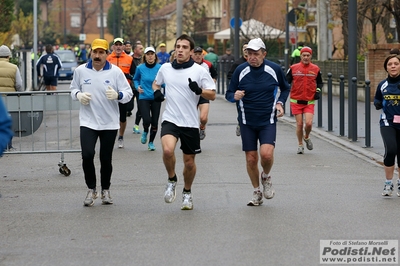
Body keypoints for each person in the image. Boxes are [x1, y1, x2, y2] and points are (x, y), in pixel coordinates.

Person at [152, 34, 216, 210]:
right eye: (178, 46)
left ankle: (187, 192)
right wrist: (157, 92)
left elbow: (213, 94)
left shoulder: (199, 70)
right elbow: (156, 84)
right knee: (167, 150)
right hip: (170, 118)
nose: (180, 50)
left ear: (190, 51)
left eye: (184, 47)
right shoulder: (165, 68)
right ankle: (172, 179)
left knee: (189, 162)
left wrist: (200, 90)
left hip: (189, 122)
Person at [225, 38, 290, 206]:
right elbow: (229, 93)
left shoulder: (274, 69)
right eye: (249, 54)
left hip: (267, 120)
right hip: (247, 121)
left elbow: (286, 87)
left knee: (266, 155)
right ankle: (256, 191)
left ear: (264, 54)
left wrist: (280, 103)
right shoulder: (240, 70)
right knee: (251, 159)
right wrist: (235, 96)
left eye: (256, 54)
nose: (252, 57)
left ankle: (266, 177)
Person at [70, 38, 133, 207]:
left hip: (109, 122)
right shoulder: (81, 71)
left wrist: (118, 96)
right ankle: (91, 188)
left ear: (107, 54)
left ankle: (105, 189)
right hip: (88, 121)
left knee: (105, 159)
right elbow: (73, 89)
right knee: (87, 155)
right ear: (90, 52)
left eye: (101, 52)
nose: (97, 56)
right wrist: (78, 95)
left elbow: (128, 93)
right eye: (95, 52)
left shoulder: (115, 72)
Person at [286, 46, 323, 154]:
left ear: (311, 56)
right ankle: (300, 144)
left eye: (308, 55)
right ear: (300, 56)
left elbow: (320, 82)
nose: (306, 57)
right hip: (296, 100)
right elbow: (286, 81)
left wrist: (318, 90)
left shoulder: (316, 69)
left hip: (309, 101)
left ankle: (306, 137)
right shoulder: (293, 68)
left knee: (309, 123)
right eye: (304, 55)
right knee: (299, 124)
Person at [374, 54, 400, 197]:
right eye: (390, 64)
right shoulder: (382, 84)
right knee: (391, 150)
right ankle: (388, 183)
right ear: (386, 68)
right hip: (387, 122)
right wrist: (377, 103)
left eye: (396, 63)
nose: (393, 66)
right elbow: (377, 98)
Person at [106, 37, 136, 148]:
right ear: (113, 46)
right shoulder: (108, 58)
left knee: (122, 117)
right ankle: (108, 136)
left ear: (123, 46)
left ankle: (121, 136)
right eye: (116, 45)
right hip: (109, 91)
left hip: (123, 91)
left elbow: (135, 74)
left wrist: (129, 77)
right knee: (109, 115)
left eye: (120, 45)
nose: (118, 47)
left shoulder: (129, 59)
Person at [133, 46, 162, 151]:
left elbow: (164, 82)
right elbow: (135, 79)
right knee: (147, 120)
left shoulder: (160, 68)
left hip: (156, 97)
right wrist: (137, 87)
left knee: (154, 122)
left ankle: (151, 142)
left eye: (152, 54)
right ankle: (145, 131)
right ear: (145, 56)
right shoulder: (140, 68)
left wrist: (167, 90)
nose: (150, 56)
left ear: (155, 56)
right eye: (148, 54)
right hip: (144, 96)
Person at [0, 44, 23, 150]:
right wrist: (19, 93)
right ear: (8, 56)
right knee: (7, 121)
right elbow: (19, 84)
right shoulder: (14, 68)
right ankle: (8, 145)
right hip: (10, 98)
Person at [192, 46, 217, 140]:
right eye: (196, 54)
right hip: (192, 94)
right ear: (192, 55)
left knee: (203, 118)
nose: (198, 56)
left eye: (200, 54)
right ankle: (192, 137)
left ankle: (202, 127)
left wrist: (212, 82)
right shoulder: (189, 65)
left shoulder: (208, 65)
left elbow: (214, 75)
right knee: (192, 118)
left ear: (203, 55)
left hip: (204, 93)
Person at [227, 43, 248, 137]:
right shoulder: (238, 63)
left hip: (253, 92)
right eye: (244, 48)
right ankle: (240, 124)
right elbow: (230, 75)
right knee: (241, 112)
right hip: (240, 92)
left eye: (248, 48)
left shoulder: (257, 62)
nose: (246, 50)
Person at [131, 42, 144, 134]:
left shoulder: (144, 60)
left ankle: (136, 125)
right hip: (130, 86)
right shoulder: (130, 59)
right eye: (140, 48)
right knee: (128, 107)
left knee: (141, 107)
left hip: (140, 87)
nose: (142, 50)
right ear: (135, 50)